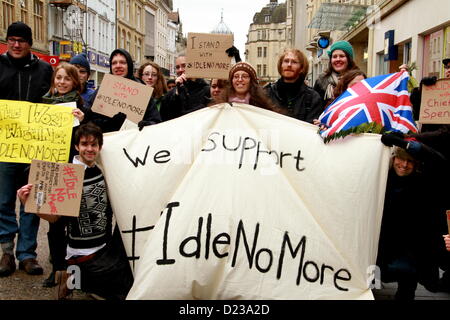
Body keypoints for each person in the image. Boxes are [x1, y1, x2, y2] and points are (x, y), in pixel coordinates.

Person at [17, 123, 134, 300]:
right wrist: (29, 204)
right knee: (116, 294)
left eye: (94, 145)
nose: (89, 149)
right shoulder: (67, 175)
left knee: (117, 287)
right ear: (76, 147)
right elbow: (54, 218)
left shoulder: (103, 170)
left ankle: (75, 280)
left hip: (104, 246)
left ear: (100, 147)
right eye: (84, 144)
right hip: (81, 251)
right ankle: (73, 278)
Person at [0, 22, 53, 277]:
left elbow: (55, 102)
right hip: (5, 147)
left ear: (30, 43)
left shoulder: (45, 69)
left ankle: (27, 255)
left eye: (21, 40)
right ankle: (7, 252)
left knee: (32, 201)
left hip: (37, 148)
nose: (16, 44)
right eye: (12, 39)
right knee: (4, 201)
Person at [40, 62, 87, 287]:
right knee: (55, 224)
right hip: (51, 170)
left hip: (73, 170)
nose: (61, 82)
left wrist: (83, 121)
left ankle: (75, 270)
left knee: (75, 224)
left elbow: (88, 140)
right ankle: (58, 269)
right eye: (58, 78)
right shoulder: (43, 103)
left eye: (66, 79)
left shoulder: (81, 105)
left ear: (74, 82)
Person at [376, 146, 440, 300]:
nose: (404, 165)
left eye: (410, 161)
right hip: (381, 241)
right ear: (393, 159)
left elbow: (439, 161)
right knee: (371, 279)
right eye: (401, 159)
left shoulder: (423, 183)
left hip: (409, 244)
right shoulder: (380, 178)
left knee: (408, 279)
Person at [88, 48, 161, 132]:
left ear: (129, 65)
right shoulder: (102, 89)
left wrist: (145, 125)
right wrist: (109, 123)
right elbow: (90, 119)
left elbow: (156, 121)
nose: (118, 66)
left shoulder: (142, 91)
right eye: (114, 63)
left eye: (122, 62)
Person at [264, 48, 322, 124]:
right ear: (281, 65)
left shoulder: (312, 98)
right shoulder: (266, 93)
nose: (289, 65)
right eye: (286, 61)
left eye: (294, 62)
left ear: (301, 68)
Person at [159, 54, 211, 121]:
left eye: (184, 66)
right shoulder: (170, 95)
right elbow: (165, 118)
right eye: (177, 67)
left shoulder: (206, 90)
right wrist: (176, 95)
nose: (180, 70)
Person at [212, 61, 279, 113]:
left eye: (245, 76)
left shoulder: (262, 106)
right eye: (236, 76)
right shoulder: (220, 106)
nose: (240, 79)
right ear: (231, 81)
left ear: (251, 81)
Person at [313, 40, 359, 108]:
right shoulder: (321, 81)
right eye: (334, 56)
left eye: (342, 56)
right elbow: (315, 107)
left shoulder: (358, 80)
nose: (338, 59)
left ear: (349, 59)